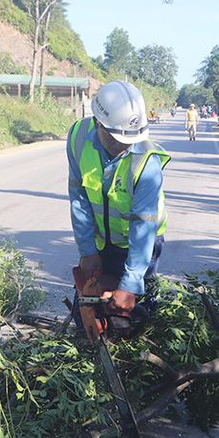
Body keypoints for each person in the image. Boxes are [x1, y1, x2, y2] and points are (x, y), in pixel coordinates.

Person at [67, 80, 171, 313]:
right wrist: (87, 250)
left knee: (134, 313)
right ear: (98, 123)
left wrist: (131, 283)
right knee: (88, 310)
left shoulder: (147, 163)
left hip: (143, 242)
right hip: (101, 239)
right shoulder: (78, 137)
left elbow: (143, 225)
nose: (123, 146)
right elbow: (79, 196)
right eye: (116, 139)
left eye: (129, 140)